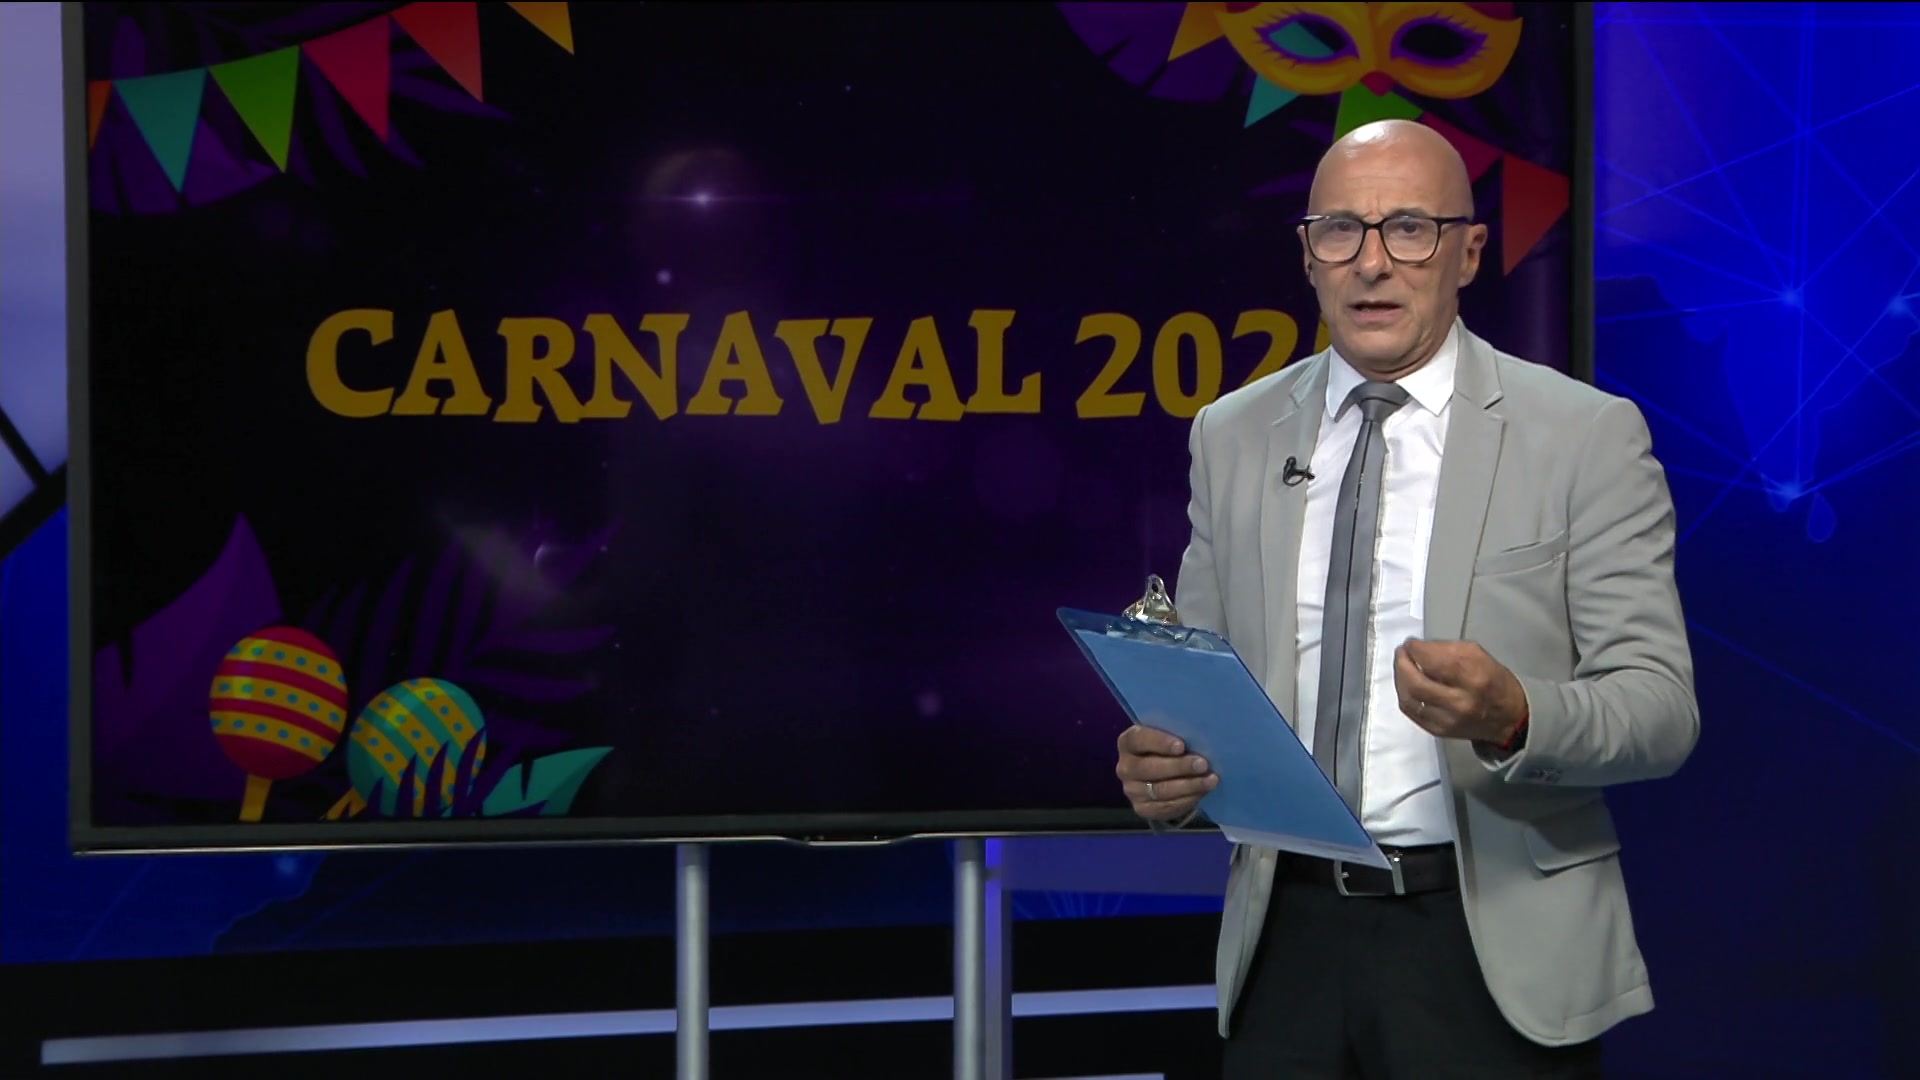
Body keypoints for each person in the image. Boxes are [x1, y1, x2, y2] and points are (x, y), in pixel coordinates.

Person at [1114, 118, 1699, 1078]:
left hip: (1489, 944)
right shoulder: (1233, 434)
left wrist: (1516, 715)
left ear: (1468, 252)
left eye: (1411, 229)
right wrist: (1168, 774)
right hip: (1286, 948)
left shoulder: (1583, 435)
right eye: (1342, 229)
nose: (1373, 262)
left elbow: (1660, 711)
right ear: (1308, 256)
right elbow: (1209, 688)